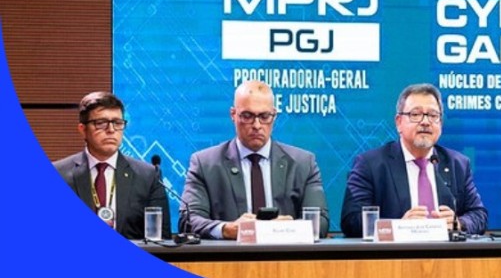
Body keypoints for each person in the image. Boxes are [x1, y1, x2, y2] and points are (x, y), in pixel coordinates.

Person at [180, 80, 328, 239]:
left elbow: (320, 222)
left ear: (274, 116)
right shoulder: (205, 164)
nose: (257, 125)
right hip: (231, 254)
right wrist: (226, 229)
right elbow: (188, 221)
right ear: (233, 115)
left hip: (284, 254)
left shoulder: (303, 164)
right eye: (247, 116)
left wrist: (286, 229)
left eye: (264, 116)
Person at [341, 83, 487, 236]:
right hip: (395, 252)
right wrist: (398, 227)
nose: (425, 122)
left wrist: (458, 223)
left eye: (433, 115)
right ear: (399, 122)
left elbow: (479, 215)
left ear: (440, 123)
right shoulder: (370, 165)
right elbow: (351, 221)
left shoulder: (458, 164)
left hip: (446, 251)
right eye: (415, 114)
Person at [53, 91, 171, 239]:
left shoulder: (148, 176)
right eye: (101, 123)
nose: (111, 130)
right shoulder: (58, 174)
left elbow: (162, 238)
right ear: (83, 130)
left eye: (117, 123)